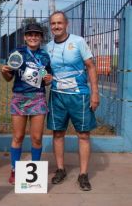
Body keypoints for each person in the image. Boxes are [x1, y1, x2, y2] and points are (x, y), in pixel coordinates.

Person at [46, 11, 99, 191]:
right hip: (57, 95)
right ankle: (60, 169)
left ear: (66, 24)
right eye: (53, 23)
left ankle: (83, 174)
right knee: (57, 133)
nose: (56, 26)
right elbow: (46, 72)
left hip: (79, 95)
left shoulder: (78, 42)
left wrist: (95, 93)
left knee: (83, 135)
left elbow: (91, 67)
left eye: (59, 23)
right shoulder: (48, 47)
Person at [1, 23, 52, 185]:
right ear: (25, 37)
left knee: (37, 138)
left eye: (37, 34)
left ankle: (34, 170)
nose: (33, 37)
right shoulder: (16, 53)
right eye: (30, 34)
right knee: (18, 136)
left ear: (41, 37)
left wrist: (49, 79)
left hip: (38, 97)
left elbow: (48, 76)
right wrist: (5, 72)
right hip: (19, 97)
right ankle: (15, 170)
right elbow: (9, 78)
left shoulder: (45, 56)